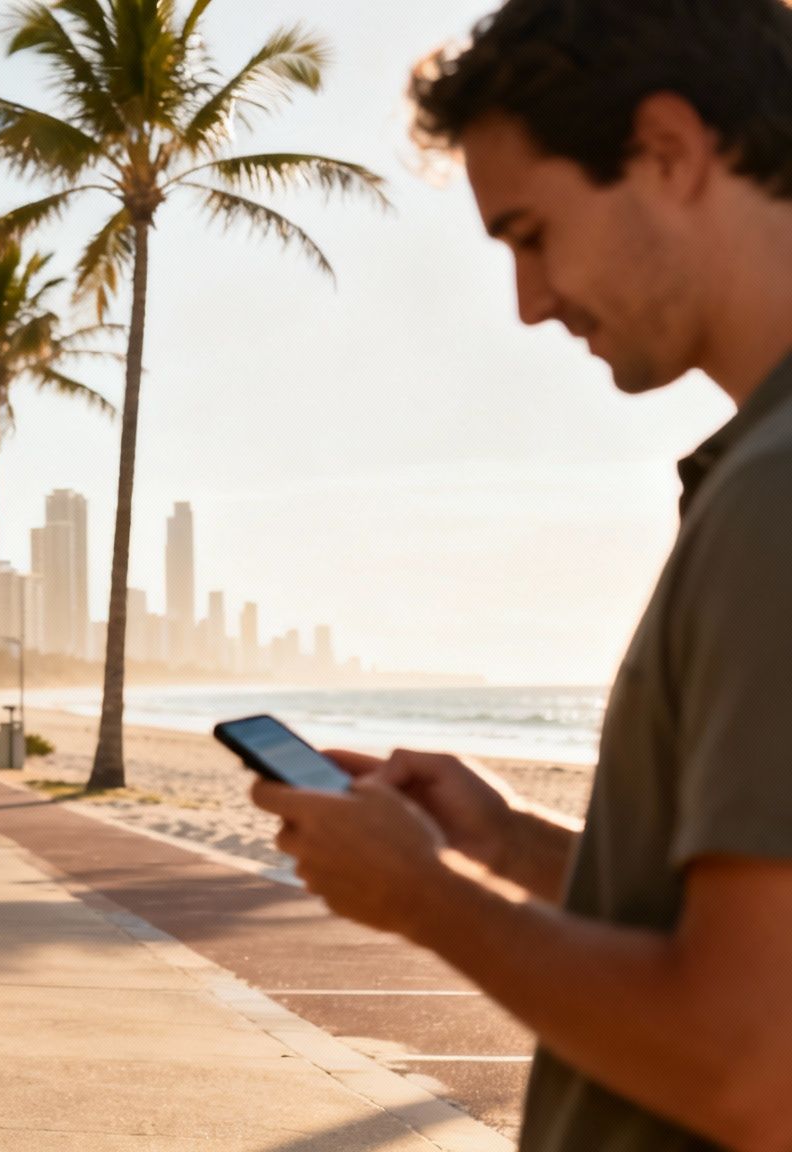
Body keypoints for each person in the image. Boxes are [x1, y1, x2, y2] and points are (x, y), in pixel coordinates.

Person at [251, 3, 792, 1149]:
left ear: (664, 152)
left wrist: (428, 902)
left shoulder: (773, 500)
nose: (528, 303)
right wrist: (505, 851)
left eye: (530, 233)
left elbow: (754, 1068)